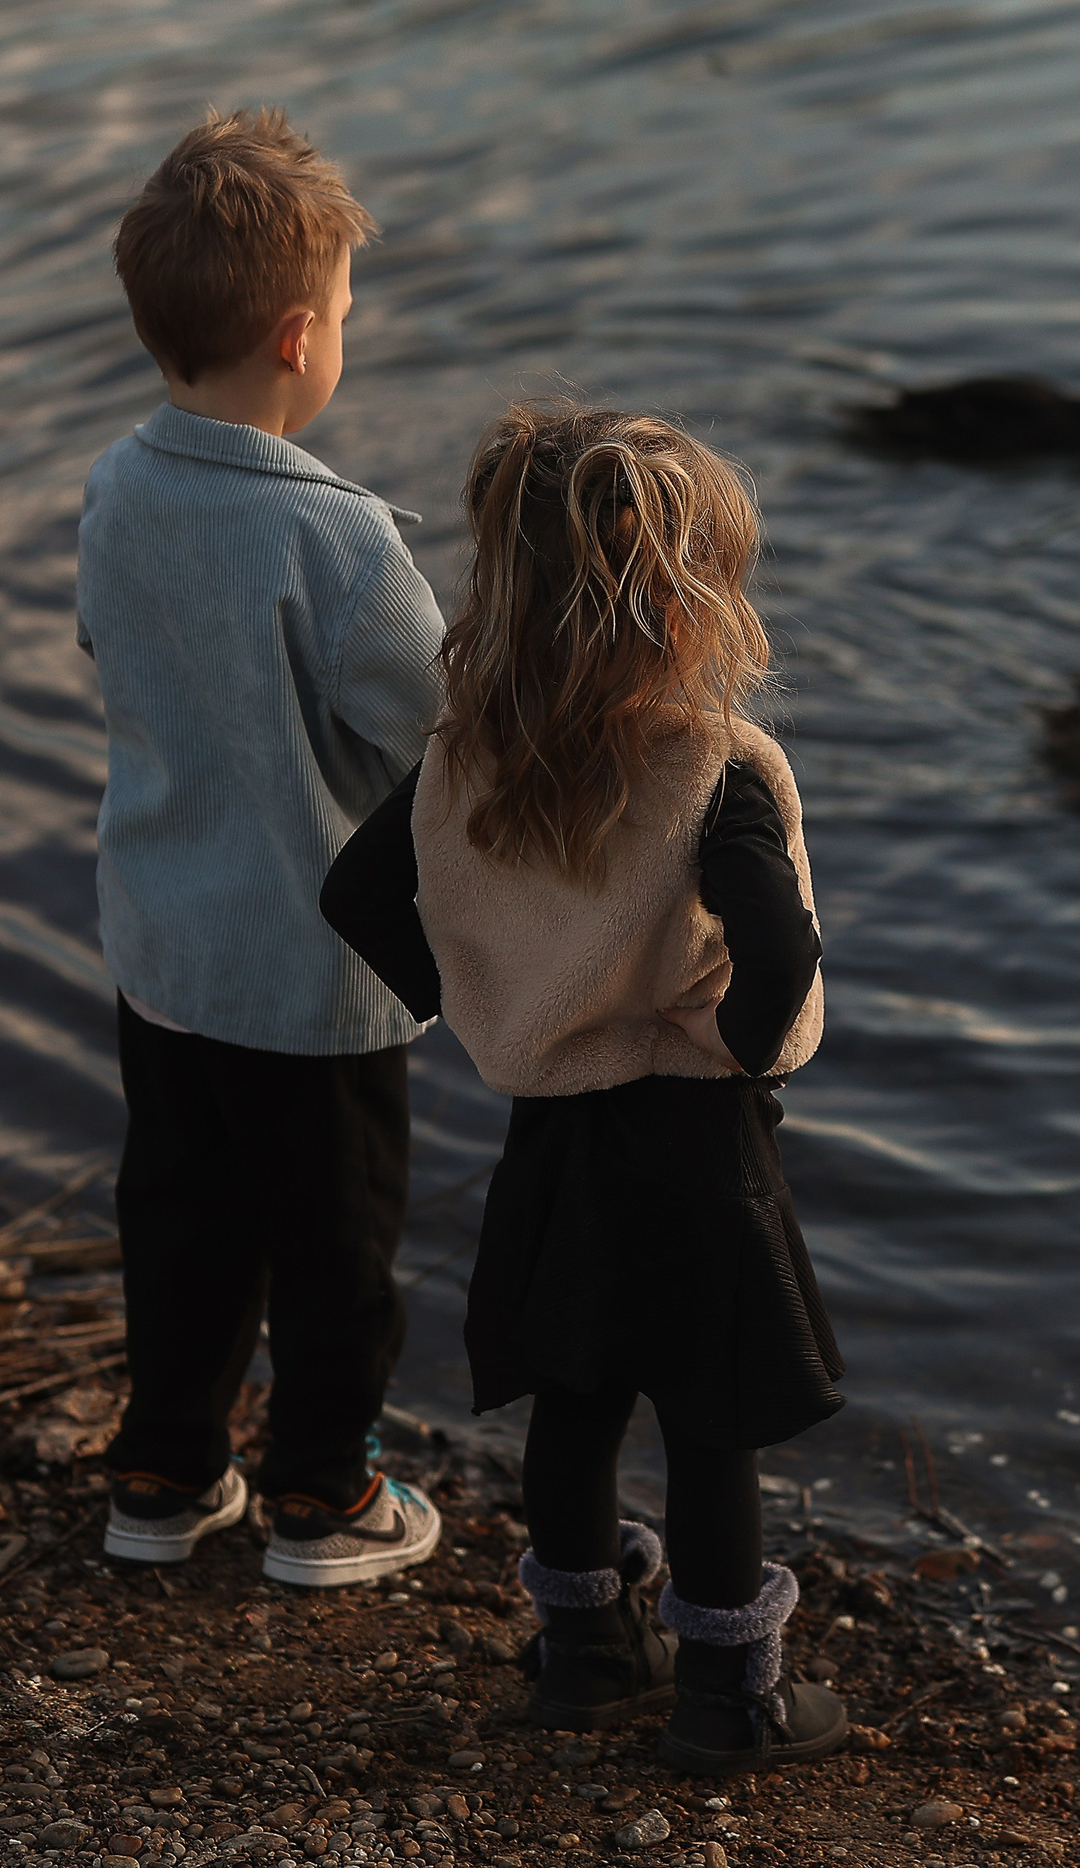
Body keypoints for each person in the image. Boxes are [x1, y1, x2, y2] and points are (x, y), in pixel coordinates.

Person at [322, 402, 848, 1775]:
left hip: (553, 1134)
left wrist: (487, 1001)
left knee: (576, 1397)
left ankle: (588, 1658)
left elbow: (358, 891)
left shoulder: (467, 756)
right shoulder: (715, 766)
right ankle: (733, 1696)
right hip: (697, 1140)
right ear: (682, 602)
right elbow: (779, 941)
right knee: (710, 1419)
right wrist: (737, 1039)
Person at [80, 108, 445, 1586]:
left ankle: (164, 1474)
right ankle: (321, 1497)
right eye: (348, 313)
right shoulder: (342, 540)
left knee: (181, 1217)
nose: (347, 335)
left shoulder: (120, 485)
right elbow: (441, 720)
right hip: (312, 971)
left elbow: (117, 650)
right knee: (336, 1240)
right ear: (299, 337)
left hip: (166, 945)